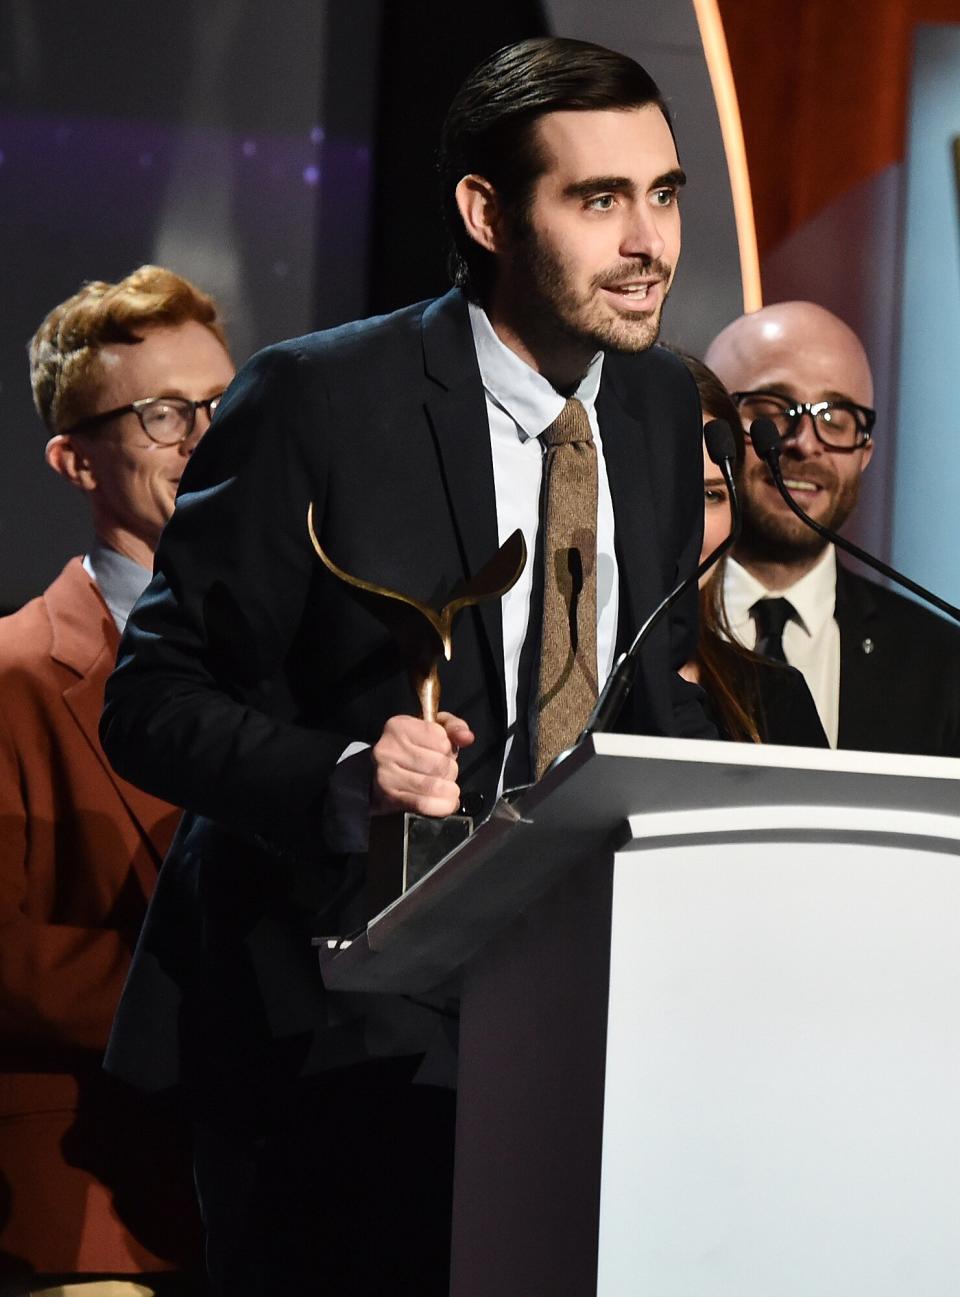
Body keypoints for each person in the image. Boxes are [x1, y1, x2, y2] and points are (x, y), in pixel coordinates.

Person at [99, 37, 714, 1296]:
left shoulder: (652, 410)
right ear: (486, 212)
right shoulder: (317, 400)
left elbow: (635, 694)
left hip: (569, 1025)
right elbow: (151, 700)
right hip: (328, 1040)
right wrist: (340, 772)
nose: (648, 241)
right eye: (599, 200)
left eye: (663, 194)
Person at [0, 265, 234, 1295]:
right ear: (74, 459)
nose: (207, 435)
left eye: (227, 404)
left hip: (276, 1190)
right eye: (164, 413)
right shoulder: (11, 673)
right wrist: (221, 999)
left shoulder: (310, 656)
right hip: (91, 1199)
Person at [705, 300, 960, 755]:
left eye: (836, 420)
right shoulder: (633, 629)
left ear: (865, 454)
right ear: (709, 431)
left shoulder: (942, 662)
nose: (804, 443)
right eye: (771, 410)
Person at [680, 355, 826, 746]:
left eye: (712, 495)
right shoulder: (533, 678)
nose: (690, 525)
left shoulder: (777, 696)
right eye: (663, 489)